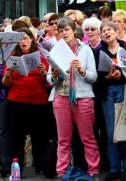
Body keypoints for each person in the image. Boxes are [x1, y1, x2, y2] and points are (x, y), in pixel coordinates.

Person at [47, 17, 100, 178]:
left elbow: (93, 77)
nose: (64, 33)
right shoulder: (55, 50)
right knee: (63, 139)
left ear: (74, 30)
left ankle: (94, 170)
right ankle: (61, 171)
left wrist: (82, 71)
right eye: (61, 30)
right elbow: (49, 80)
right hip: (61, 97)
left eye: (67, 30)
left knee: (88, 138)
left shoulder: (85, 49)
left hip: (82, 97)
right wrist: (54, 75)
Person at [2, 27, 51, 175]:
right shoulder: (12, 57)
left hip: (38, 102)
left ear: (32, 39)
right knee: (17, 137)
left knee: (40, 137)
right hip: (17, 101)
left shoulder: (41, 57)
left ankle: (40, 166)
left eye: (26, 38)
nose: (23, 41)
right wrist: (9, 74)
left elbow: (47, 82)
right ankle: (17, 169)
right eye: (20, 39)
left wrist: (43, 73)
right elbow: (6, 83)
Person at [94, 21, 126, 180]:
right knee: (111, 131)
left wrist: (122, 75)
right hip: (107, 92)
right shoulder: (99, 52)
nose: (106, 33)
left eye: (109, 30)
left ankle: (125, 164)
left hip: (124, 90)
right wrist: (108, 77)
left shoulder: (125, 49)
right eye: (103, 31)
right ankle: (114, 168)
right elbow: (96, 77)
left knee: (125, 128)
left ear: (116, 31)